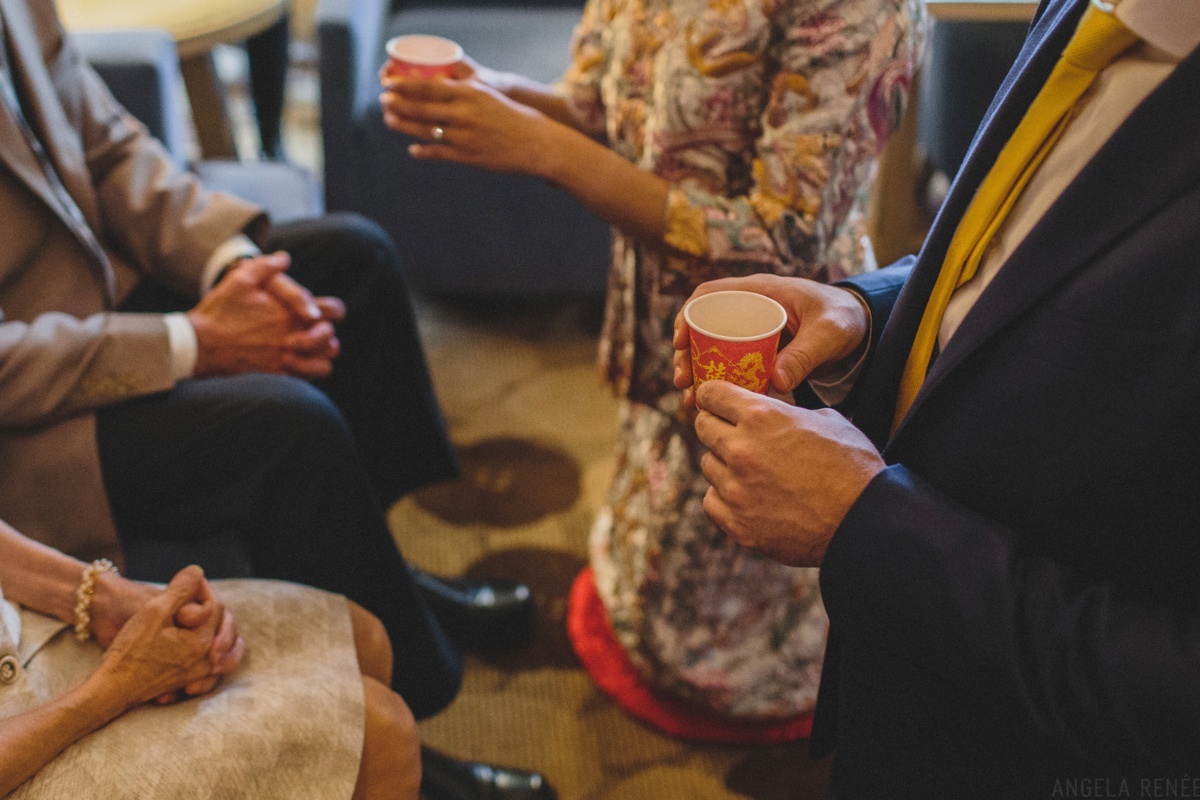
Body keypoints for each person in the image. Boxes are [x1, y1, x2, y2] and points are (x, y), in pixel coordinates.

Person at [0, 1, 546, 796]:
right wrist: (192, 341)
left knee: (351, 261)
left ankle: (384, 568)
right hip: (28, 423)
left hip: (100, 295)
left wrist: (234, 270)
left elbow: (111, 146)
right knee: (288, 430)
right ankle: (415, 718)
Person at [671, 0, 1200, 793]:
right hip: (910, 689)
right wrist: (869, 309)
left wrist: (873, 523)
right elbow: (1022, 257)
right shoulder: (1103, 13)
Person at [379, 0, 924, 718]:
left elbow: (779, 235)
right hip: (656, 293)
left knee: (733, 611)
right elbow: (600, 104)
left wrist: (544, 150)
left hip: (778, 330)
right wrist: (491, 92)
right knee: (648, 546)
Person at [0, 516, 420, 799]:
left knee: (359, 637)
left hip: (18, 626)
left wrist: (95, 596)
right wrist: (117, 685)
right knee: (378, 733)